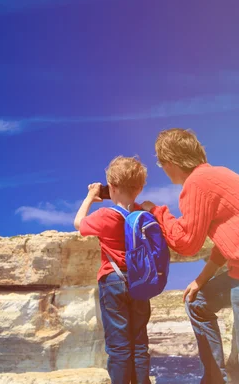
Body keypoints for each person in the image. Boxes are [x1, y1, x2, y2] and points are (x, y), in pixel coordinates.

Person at [140, 128, 239, 384]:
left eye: (161, 163)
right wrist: (201, 280)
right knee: (198, 301)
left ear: (169, 162)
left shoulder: (197, 185)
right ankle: (215, 379)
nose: (163, 168)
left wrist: (158, 212)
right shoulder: (218, 175)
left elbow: (186, 243)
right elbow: (226, 243)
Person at [74, 156, 152, 384]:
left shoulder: (106, 216)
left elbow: (79, 223)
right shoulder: (144, 215)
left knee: (119, 346)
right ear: (139, 188)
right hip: (141, 282)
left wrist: (90, 196)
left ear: (112, 187)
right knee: (139, 343)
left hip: (112, 280)